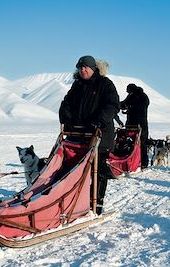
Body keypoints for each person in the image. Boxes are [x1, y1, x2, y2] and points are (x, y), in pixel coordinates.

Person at [59, 55, 120, 215]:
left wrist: (98, 120)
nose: (82, 70)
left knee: (98, 171)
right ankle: (76, 201)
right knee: (73, 169)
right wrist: (66, 117)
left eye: (85, 67)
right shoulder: (77, 84)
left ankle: (97, 204)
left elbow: (112, 105)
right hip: (78, 135)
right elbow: (67, 103)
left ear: (94, 68)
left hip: (100, 136)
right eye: (80, 67)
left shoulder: (105, 84)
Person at [120, 83, 150, 170]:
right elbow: (125, 103)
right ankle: (130, 162)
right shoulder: (130, 96)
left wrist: (130, 106)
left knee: (142, 143)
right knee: (128, 143)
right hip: (130, 123)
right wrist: (119, 105)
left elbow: (143, 106)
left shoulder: (143, 96)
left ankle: (143, 163)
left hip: (141, 123)